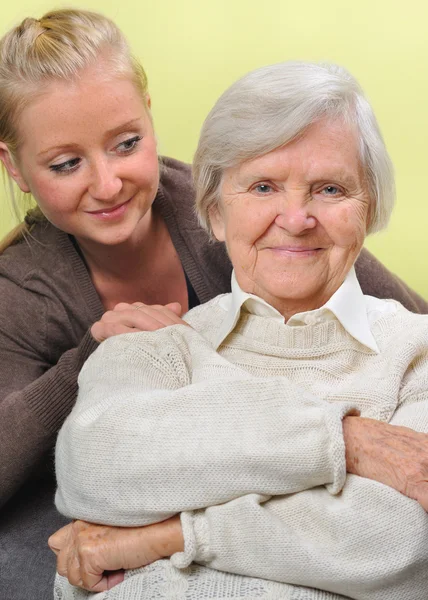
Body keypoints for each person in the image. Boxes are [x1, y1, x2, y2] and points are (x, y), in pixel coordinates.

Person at [0, 10, 425, 599]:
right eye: (66, 164)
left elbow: (384, 299)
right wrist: (92, 357)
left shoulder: (243, 203)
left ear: (149, 114)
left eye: (126, 144)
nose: (107, 183)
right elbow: (86, 464)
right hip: (72, 504)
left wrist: (173, 534)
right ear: (14, 167)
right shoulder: (25, 293)